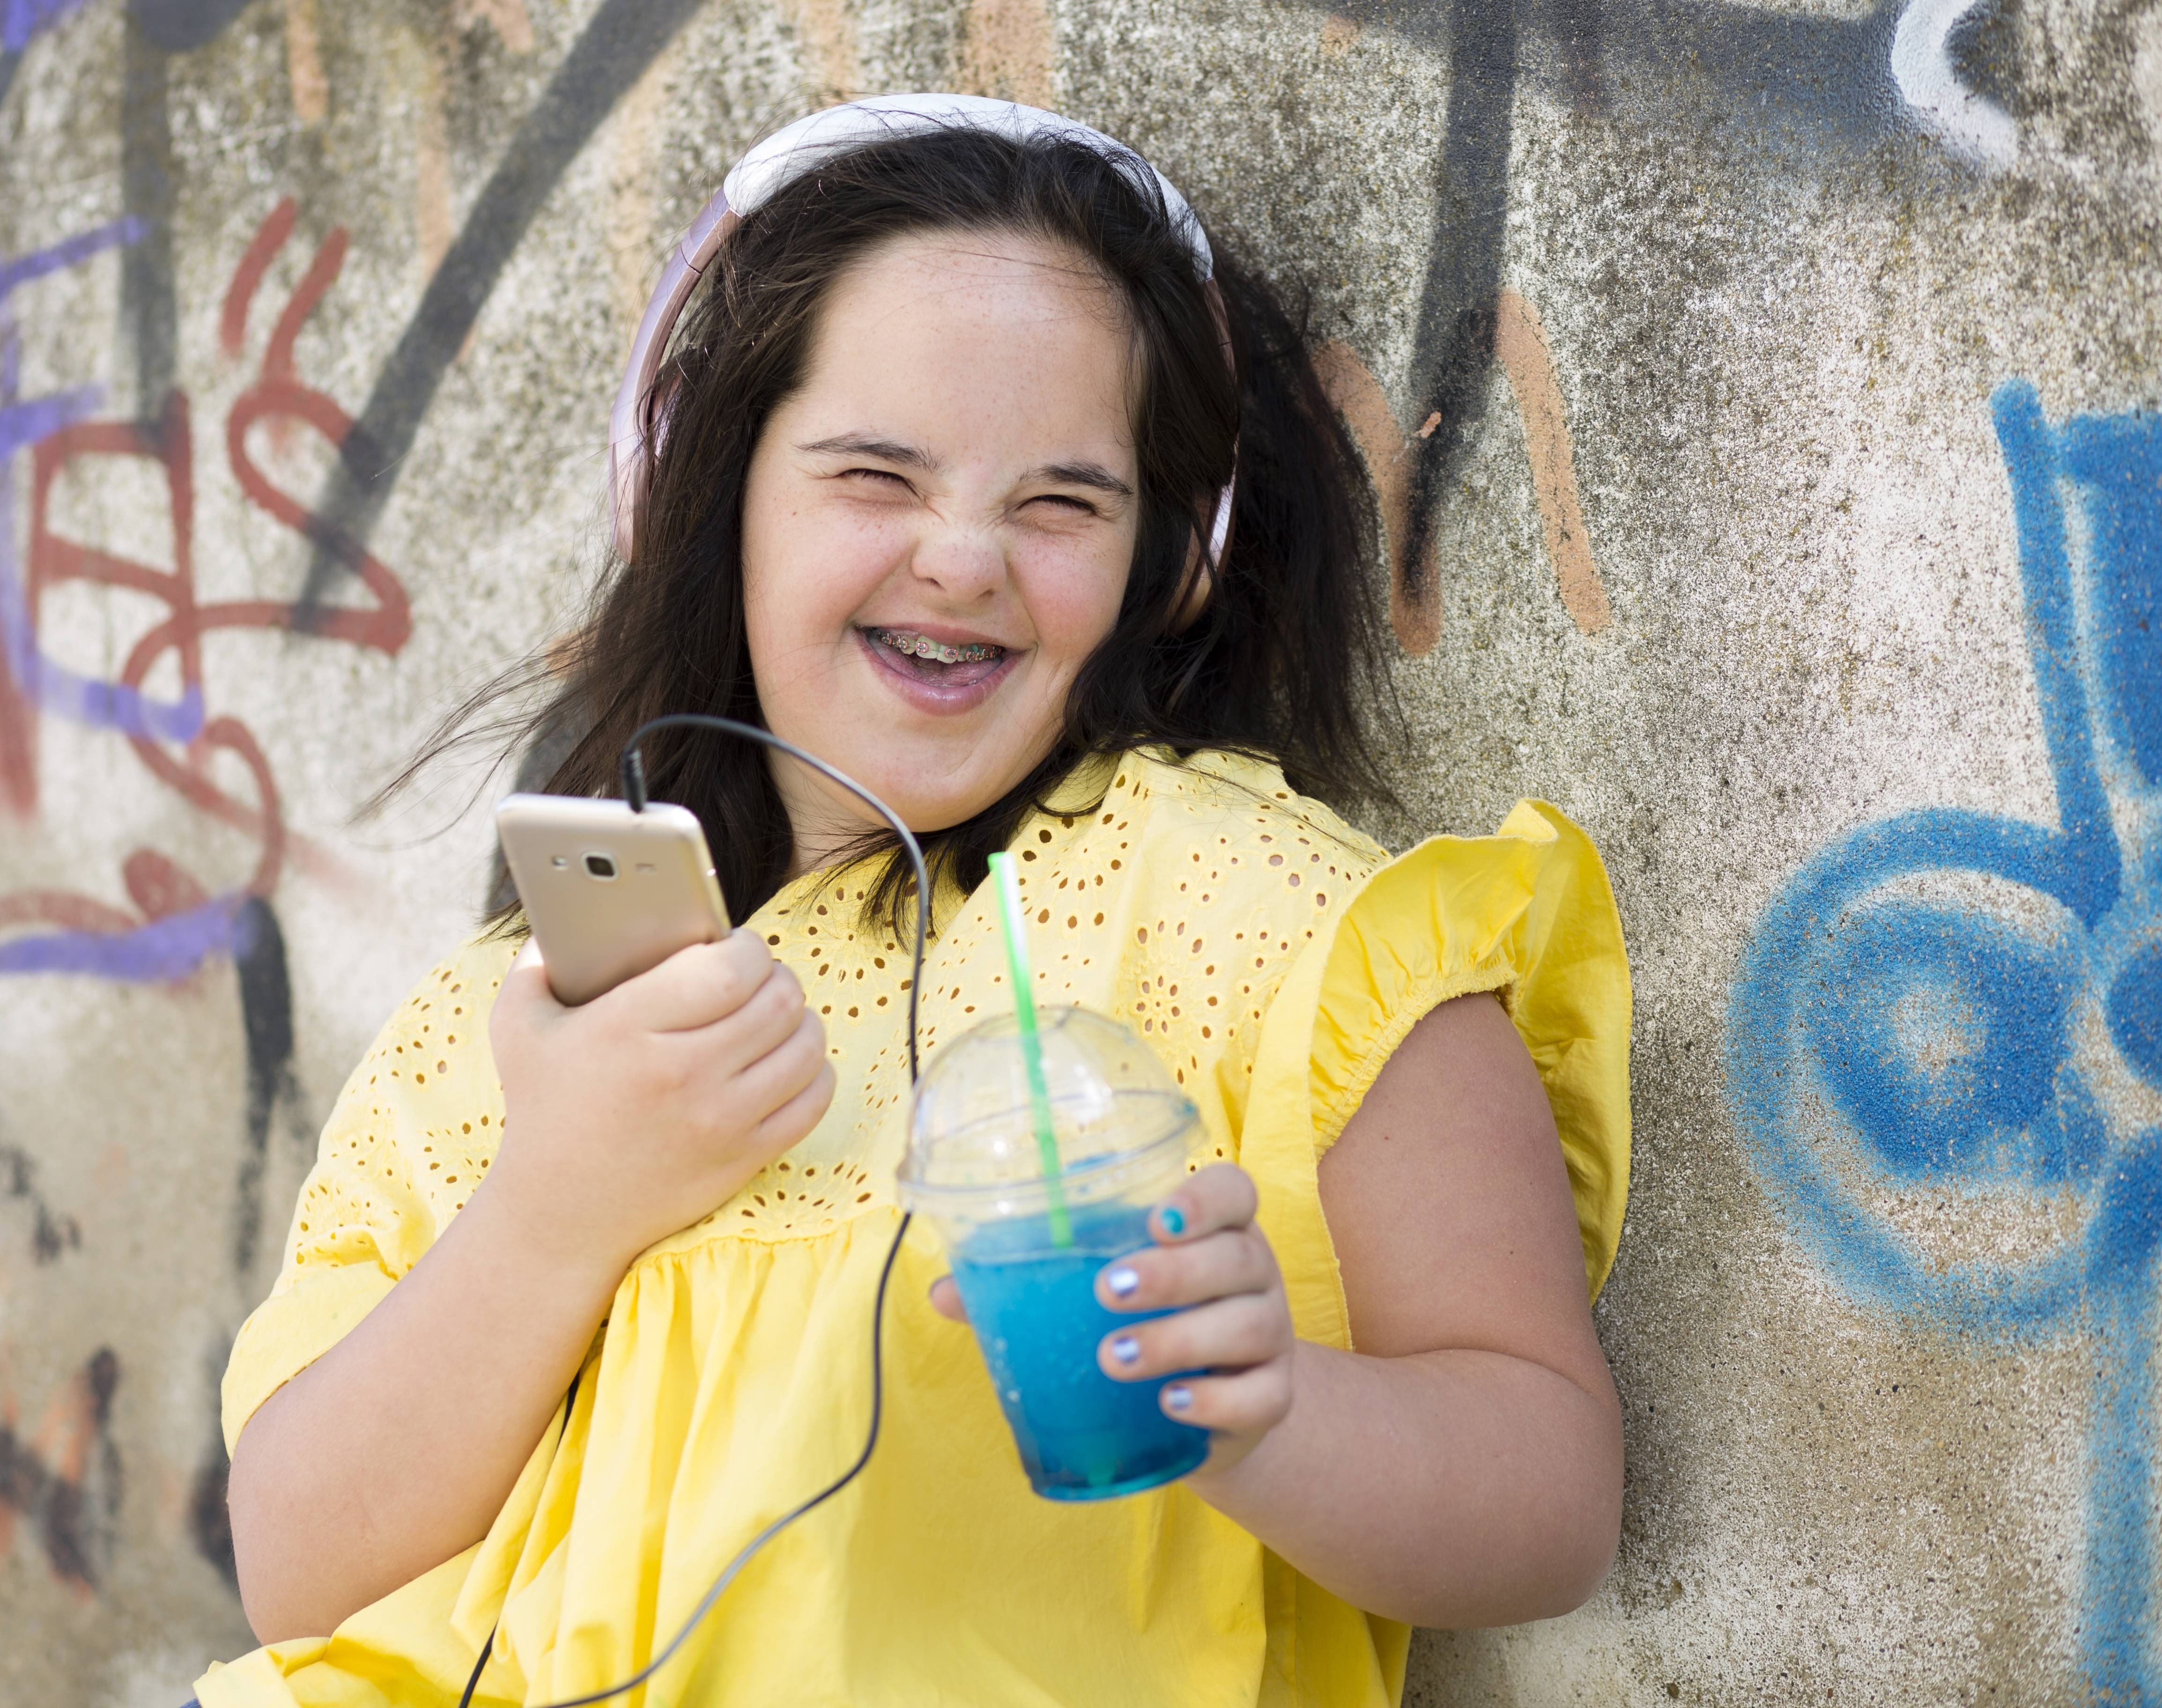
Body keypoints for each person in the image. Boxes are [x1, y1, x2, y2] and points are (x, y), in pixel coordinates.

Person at [198, 97, 1629, 1708]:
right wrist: (559, 1209)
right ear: (712, 491)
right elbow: (301, 1569)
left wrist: (1271, 1411)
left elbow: (1553, 1501)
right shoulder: (525, 1013)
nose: (962, 558)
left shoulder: (1265, 914)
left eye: (1062, 504)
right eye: (876, 474)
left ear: (1171, 562)